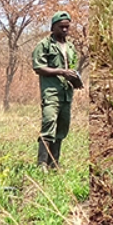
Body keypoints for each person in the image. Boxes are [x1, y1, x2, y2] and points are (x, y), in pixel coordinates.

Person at [32, 11, 81, 169]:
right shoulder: (44, 45)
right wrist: (61, 72)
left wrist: (75, 79)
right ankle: (42, 165)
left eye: (67, 27)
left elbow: (71, 67)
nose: (65, 30)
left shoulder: (71, 46)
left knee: (62, 128)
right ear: (53, 27)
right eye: (61, 27)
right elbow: (38, 67)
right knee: (48, 125)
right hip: (51, 93)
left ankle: (54, 164)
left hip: (66, 94)